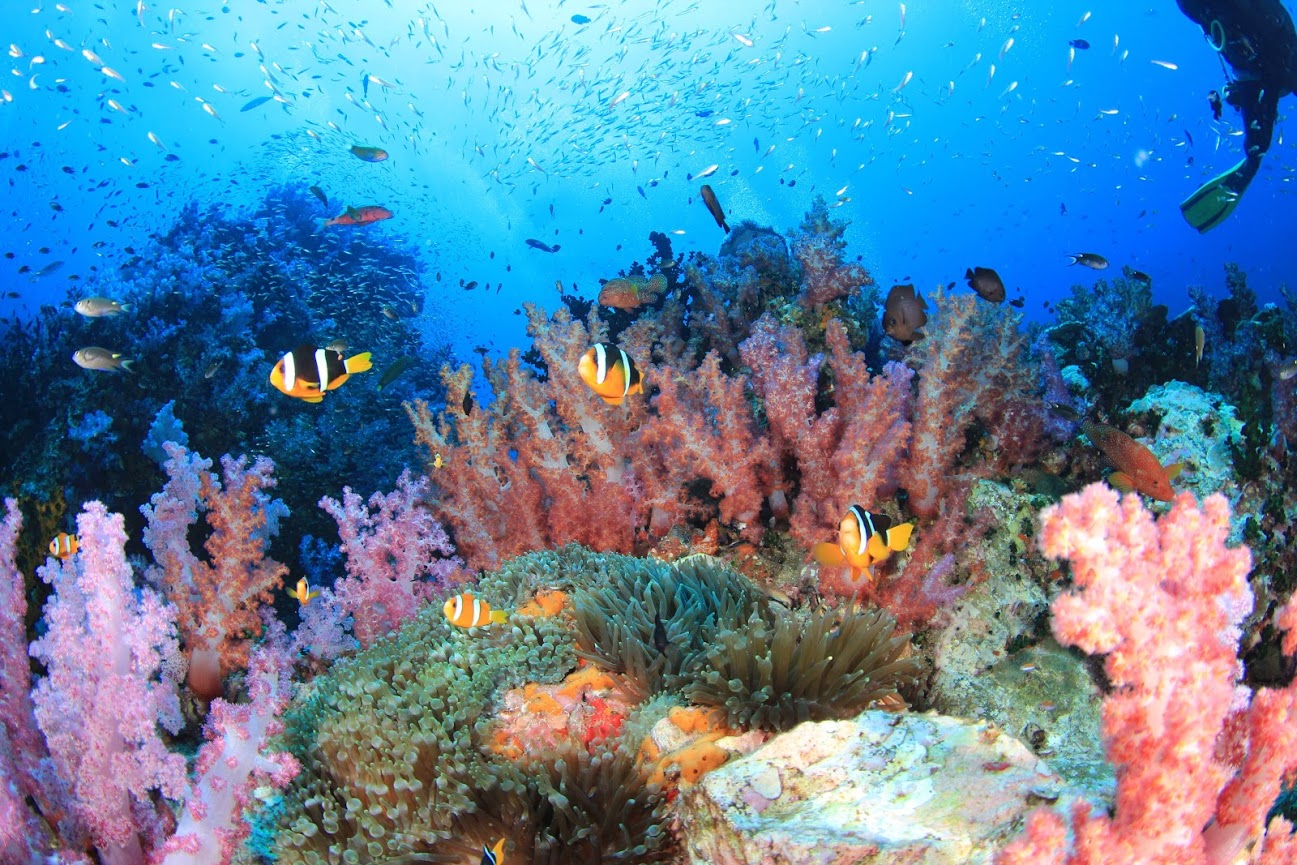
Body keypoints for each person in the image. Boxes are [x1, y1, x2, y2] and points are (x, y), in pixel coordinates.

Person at [1176, 0, 1297, 231]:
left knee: (1258, 146)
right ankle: (1251, 162)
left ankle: (1253, 160)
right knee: (1256, 148)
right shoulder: (1188, 5)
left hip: (1283, 57)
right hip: (1250, 72)